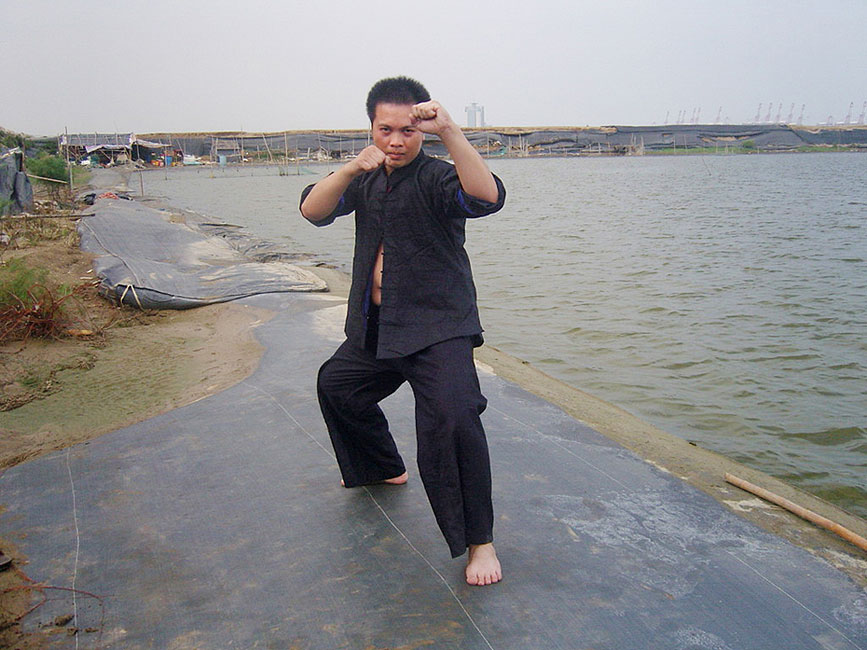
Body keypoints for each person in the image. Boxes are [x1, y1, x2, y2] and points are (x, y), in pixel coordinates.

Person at [299, 76, 505, 586]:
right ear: (371, 128)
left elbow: (487, 197)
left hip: (437, 328)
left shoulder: (438, 177)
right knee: (337, 386)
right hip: (378, 326)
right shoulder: (364, 177)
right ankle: (381, 467)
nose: (395, 141)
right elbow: (312, 210)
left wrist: (450, 131)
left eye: (407, 131)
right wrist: (352, 167)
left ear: (421, 131)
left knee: (454, 419)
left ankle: (480, 543)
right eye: (385, 130)